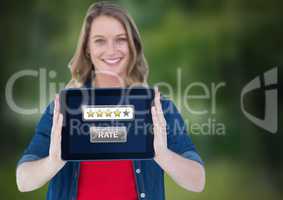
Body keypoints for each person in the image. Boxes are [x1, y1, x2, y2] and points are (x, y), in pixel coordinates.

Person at [16, 2, 205, 200]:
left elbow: (197, 181)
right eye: (100, 41)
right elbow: (23, 181)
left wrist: (164, 156)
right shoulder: (63, 110)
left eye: (120, 39)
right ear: (87, 48)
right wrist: (53, 161)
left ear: (132, 46)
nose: (111, 50)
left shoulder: (158, 109)